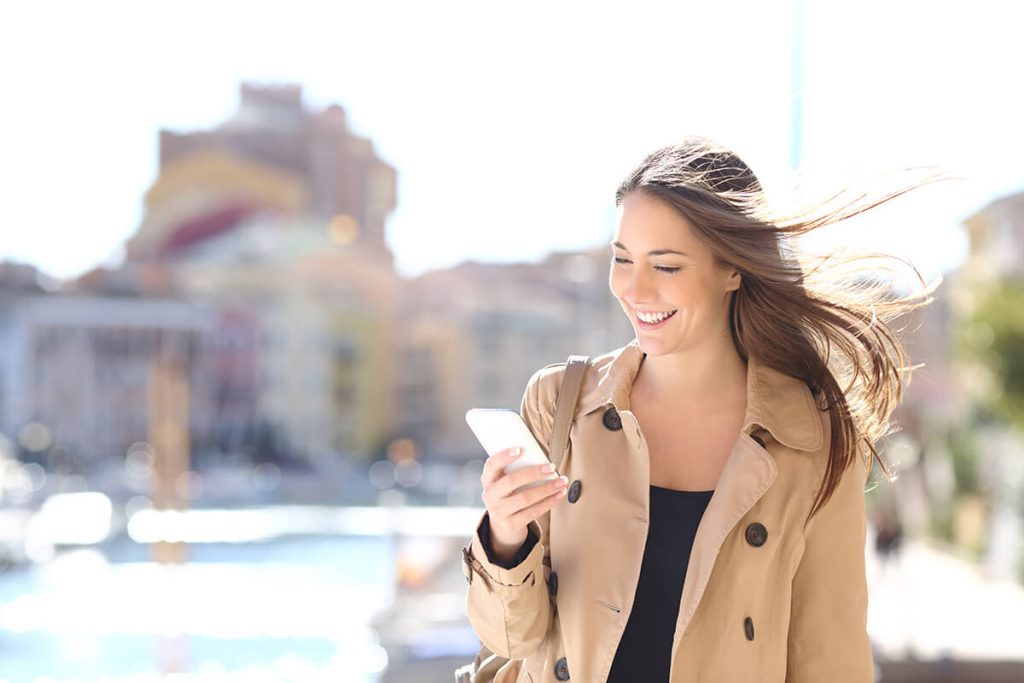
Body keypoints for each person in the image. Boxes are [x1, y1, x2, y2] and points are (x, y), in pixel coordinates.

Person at [461, 136, 941, 682]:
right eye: (622, 259)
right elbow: (511, 638)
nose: (634, 288)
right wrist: (505, 534)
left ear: (732, 270)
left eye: (665, 267)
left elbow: (829, 654)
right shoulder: (561, 403)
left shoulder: (813, 436)